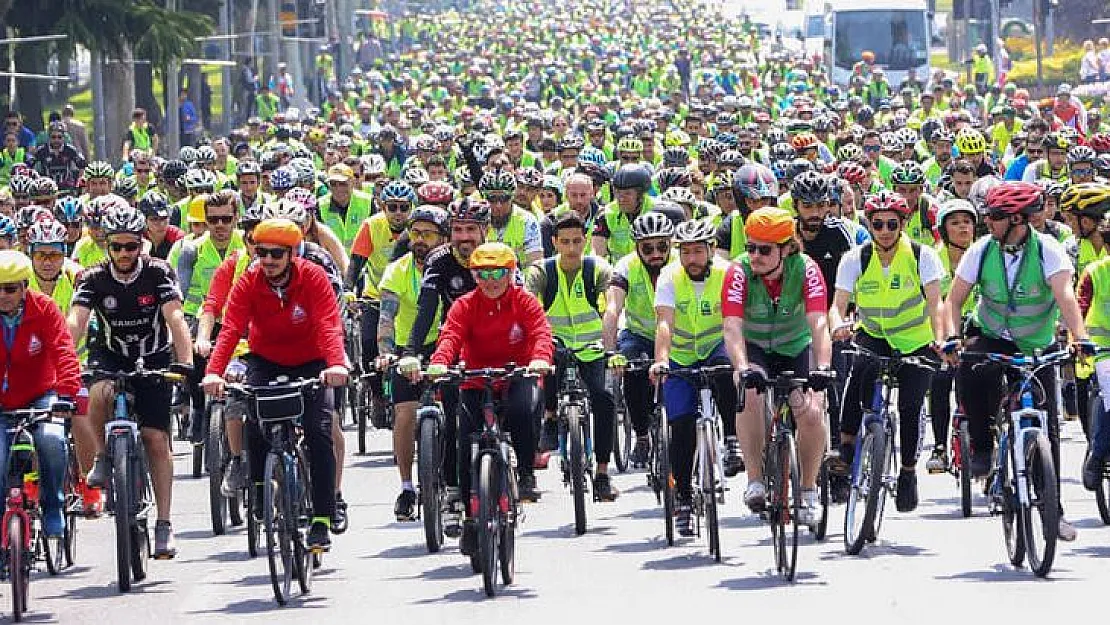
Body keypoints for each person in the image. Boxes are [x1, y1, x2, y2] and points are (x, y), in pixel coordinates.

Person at [945, 181, 1091, 542]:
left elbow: (1066, 297)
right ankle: (981, 446)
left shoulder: (1049, 251)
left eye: (994, 216)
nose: (987, 222)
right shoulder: (981, 250)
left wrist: (1080, 339)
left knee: (1048, 426)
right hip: (993, 334)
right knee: (972, 370)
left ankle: (1053, 512)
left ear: (1016, 220)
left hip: (1035, 344)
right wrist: (951, 337)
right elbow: (954, 300)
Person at [202, 218, 348, 552]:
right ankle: (258, 487)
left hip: (313, 361)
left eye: (275, 254)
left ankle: (322, 518)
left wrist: (336, 364)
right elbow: (231, 330)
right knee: (255, 420)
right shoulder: (249, 280)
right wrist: (214, 372)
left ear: (293, 253)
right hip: (265, 360)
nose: (266, 261)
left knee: (318, 429)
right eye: (261, 252)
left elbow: (328, 324)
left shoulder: (313, 277)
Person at [398, 242, 553, 556]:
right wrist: (440, 363)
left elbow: (540, 333)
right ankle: (471, 516)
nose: (491, 280)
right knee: (464, 434)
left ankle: (524, 473)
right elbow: (451, 336)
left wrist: (539, 359)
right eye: (482, 274)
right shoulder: (465, 305)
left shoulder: (524, 301)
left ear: (511, 274)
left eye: (498, 272)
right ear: (473, 275)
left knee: (523, 411)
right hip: (476, 376)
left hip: (517, 374)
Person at [67, 204, 194, 559]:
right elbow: (75, 322)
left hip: (153, 356)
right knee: (97, 392)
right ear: (107, 246)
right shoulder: (93, 278)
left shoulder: (158, 272)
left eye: (131, 246)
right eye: (117, 247)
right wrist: (62, 361)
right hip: (110, 354)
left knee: (155, 439)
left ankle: (165, 525)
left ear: (141, 245)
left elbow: (176, 319)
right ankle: (105, 458)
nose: (124, 254)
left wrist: (184, 363)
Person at [829, 191, 946, 513]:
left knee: (910, 407)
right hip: (874, 335)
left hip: (916, 341)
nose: (884, 230)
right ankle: (847, 447)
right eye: (877, 224)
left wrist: (940, 338)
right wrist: (838, 325)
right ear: (869, 223)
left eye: (892, 224)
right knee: (856, 379)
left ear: (903, 224)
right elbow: (838, 305)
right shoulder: (856, 258)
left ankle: (907, 473)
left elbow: (936, 304)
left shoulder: (923, 256)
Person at [723, 207, 833, 523]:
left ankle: (808, 490)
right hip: (754, 348)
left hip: (795, 347)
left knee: (810, 411)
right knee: (751, 397)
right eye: (751, 247)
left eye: (765, 249)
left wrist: (823, 366)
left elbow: (819, 321)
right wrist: (742, 368)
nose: (755, 255)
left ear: (787, 248)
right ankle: (755, 479)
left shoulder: (806, 269)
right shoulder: (738, 271)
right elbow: (731, 327)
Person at [649, 217, 738, 536]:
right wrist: (661, 361)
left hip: (717, 344)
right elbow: (664, 324)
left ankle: (731, 440)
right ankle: (684, 499)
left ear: (711, 250)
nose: (692, 259)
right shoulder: (669, 277)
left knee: (727, 373)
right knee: (681, 426)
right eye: (685, 252)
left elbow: (733, 321)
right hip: (681, 355)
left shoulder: (728, 273)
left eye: (698, 252)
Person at [526, 211, 619, 501]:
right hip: (555, 344)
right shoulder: (542, 272)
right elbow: (531, 308)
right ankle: (551, 419)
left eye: (577, 241)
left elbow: (611, 309)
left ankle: (602, 473)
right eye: (564, 241)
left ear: (585, 240)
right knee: (543, 378)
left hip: (593, 346)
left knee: (603, 399)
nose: (571, 248)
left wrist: (610, 348)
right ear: (554, 242)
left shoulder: (599, 269)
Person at [375, 206, 449, 521]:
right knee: (404, 414)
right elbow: (386, 317)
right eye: (415, 233)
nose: (419, 240)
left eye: (428, 234)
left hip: (446, 345)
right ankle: (406, 487)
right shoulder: (398, 270)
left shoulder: (451, 267)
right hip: (408, 349)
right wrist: (386, 351)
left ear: (443, 239)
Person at [0, 250, 80, 539]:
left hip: (41, 395)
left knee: (51, 439)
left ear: (24, 287)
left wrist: (68, 393)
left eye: (10, 289)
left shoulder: (44, 308)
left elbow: (63, 350)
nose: (3, 295)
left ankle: (52, 506)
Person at [603, 211, 676, 468]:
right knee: (633, 374)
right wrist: (611, 353)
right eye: (648, 248)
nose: (656, 253)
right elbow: (613, 310)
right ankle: (642, 436)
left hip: (678, 336)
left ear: (671, 244)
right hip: (639, 334)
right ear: (637, 247)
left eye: (662, 246)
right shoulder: (625, 266)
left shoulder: (681, 263)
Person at [925, 200, 978, 473]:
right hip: (945, 331)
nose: (962, 228)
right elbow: (935, 304)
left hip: (978, 330)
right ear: (944, 231)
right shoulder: (934, 258)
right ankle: (940, 446)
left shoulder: (982, 253)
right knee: (941, 379)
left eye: (967, 222)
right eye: (955, 223)